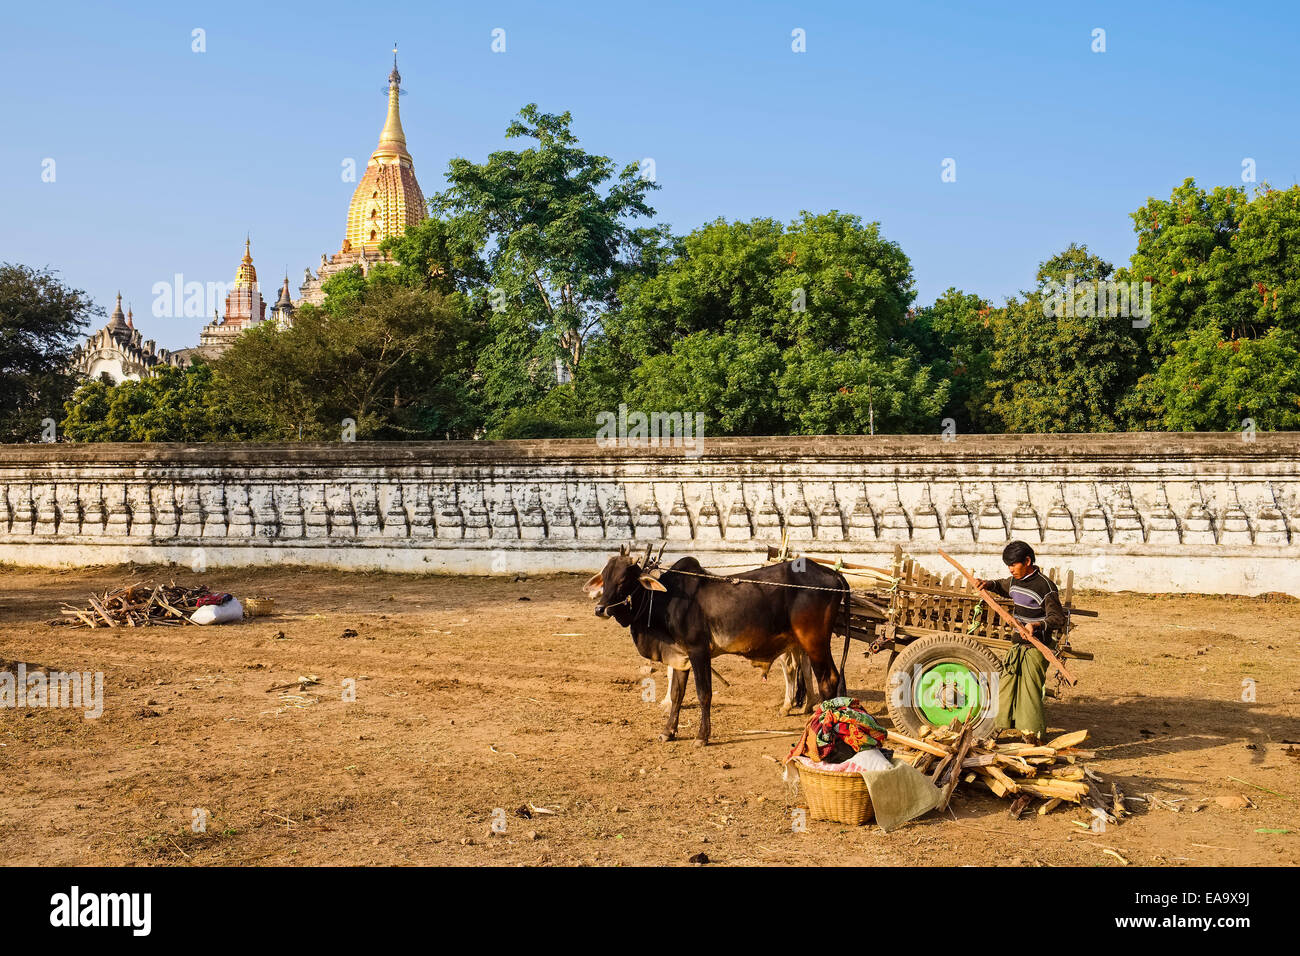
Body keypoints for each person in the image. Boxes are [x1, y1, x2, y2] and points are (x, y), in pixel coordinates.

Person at [975, 540, 1066, 744]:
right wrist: (987, 584)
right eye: (1008, 565)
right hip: (1018, 644)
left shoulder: (1046, 587)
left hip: (1037, 646)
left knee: (1030, 691)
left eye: (1013, 565)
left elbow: (1058, 618)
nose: (1010, 569)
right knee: (1007, 686)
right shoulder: (1015, 581)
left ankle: (1035, 738)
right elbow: (1003, 586)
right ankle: (1004, 729)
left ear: (1027, 561)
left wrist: (1036, 625)